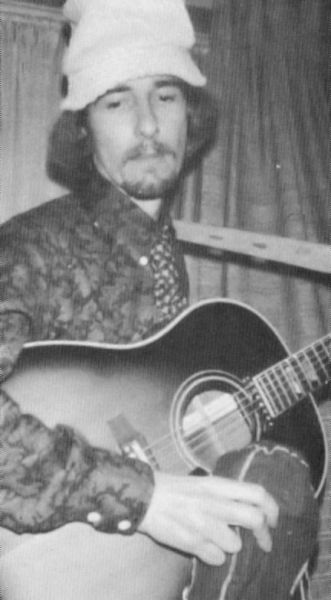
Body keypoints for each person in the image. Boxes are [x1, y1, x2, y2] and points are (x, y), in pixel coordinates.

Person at [0, 1, 318, 598]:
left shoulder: (166, 257)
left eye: (165, 95)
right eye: (117, 100)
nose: (147, 124)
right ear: (83, 126)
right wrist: (142, 495)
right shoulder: (29, 248)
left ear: (189, 116)